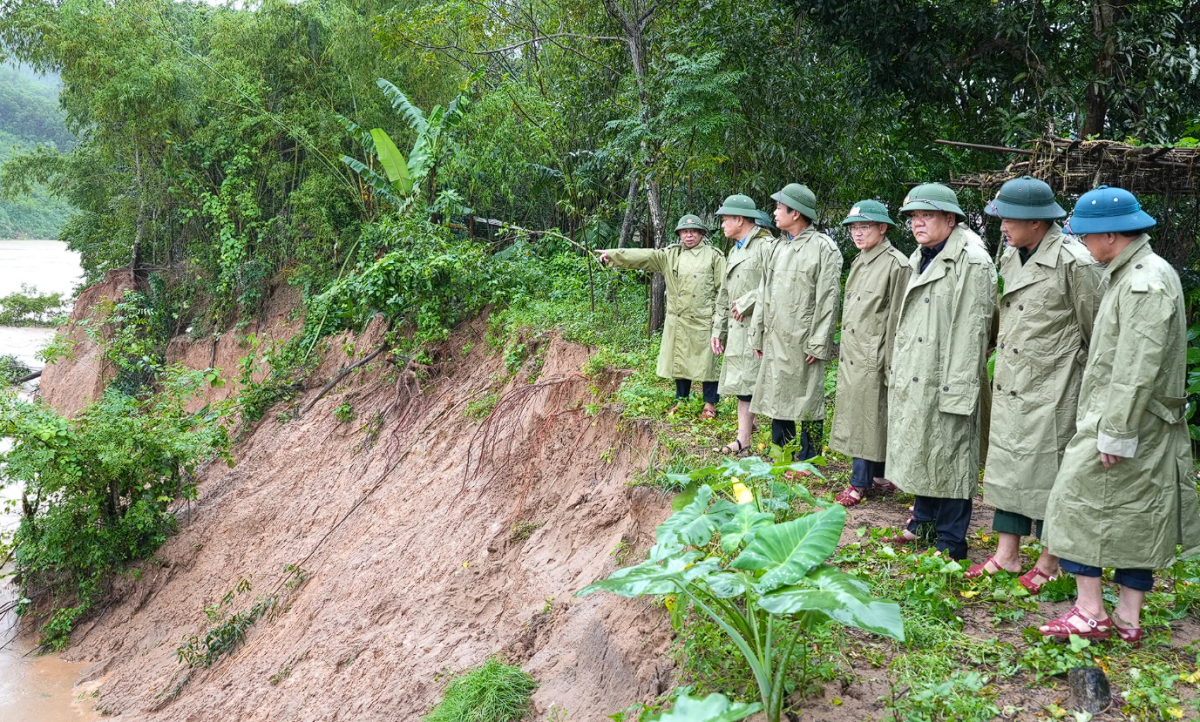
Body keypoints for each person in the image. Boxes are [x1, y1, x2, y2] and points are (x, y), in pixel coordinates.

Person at [1039, 186, 1200, 643]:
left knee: (1073, 506)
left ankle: (1091, 611)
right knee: (1136, 517)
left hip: (1126, 421)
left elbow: (1136, 365)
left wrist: (1116, 432)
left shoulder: (1142, 281)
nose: (1083, 244)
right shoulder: (1133, 272)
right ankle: (1128, 618)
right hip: (1131, 420)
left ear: (1110, 234)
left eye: (1087, 235)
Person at [965, 176, 1102, 593]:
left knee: (1048, 472)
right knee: (1008, 467)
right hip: (1011, 382)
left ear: (1037, 222)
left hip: (1053, 388)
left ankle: (1050, 559)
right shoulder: (1012, 254)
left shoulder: (1075, 262)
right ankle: (1007, 554)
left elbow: (1097, 332)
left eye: (1009, 218)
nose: (1002, 224)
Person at [882, 183, 996, 560]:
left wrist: (959, 388)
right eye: (913, 216)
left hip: (949, 372)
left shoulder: (972, 259)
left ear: (951, 218)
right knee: (922, 445)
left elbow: (973, 328)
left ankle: (951, 541)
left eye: (926, 215)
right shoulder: (924, 254)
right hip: (920, 367)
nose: (917, 223)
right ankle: (922, 523)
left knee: (951, 454)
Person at [596, 215, 726, 418]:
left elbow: (723, 290)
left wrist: (719, 318)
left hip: (703, 319)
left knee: (706, 364)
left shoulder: (714, 256)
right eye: (684, 232)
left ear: (701, 233)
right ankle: (681, 401)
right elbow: (645, 256)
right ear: (680, 235)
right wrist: (613, 255)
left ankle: (710, 405)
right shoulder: (670, 255)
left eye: (693, 231)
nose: (688, 235)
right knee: (680, 361)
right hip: (678, 319)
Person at [749, 183, 843, 460]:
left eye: (779, 208)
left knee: (809, 398)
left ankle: (810, 456)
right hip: (776, 336)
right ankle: (782, 452)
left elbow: (829, 299)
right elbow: (763, 292)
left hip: (804, 339)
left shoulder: (824, 248)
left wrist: (818, 342)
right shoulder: (776, 247)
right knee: (778, 395)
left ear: (796, 213)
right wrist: (758, 334)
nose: (774, 213)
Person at [830, 201, 910, 506]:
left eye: (864, 227)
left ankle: (859, 484)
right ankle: (878, 476)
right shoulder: (861, 260)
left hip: (874, 354)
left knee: (868, 416)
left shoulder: (896, 264)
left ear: (882, 228)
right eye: (853, 228)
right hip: (854, 352)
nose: (857, 234)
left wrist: (890, 362)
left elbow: (897, 320)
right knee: (864, 415)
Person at [711, 195, 773, 454]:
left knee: (756, 384)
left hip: (758, 329)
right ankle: (743, 439)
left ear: (740, 219)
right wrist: (718, 329)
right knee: (742, 385)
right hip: (738, 330)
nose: (723, 224)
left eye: (726, 219)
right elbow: (724, 294)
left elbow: (779, 284)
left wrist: (749, 300)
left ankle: (762, 442)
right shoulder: (736, 248)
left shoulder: (766, 246)